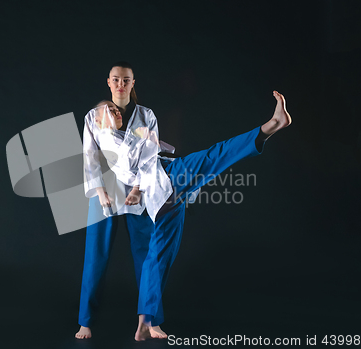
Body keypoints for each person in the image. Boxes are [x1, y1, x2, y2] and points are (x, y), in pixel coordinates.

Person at [133, 90, 292, 341]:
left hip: (164, 195)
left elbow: (151, 147)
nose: (109, 112)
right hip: (166, 177)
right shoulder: (110, 140)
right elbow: (133, 165)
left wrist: (147, 139)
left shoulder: (129, 129)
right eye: (104, 112)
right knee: (216, 155)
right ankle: (272, 124)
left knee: (157, 258)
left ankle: (145, 322)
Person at [76, 62, 170, 339]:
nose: (120, 84)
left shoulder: (145, 115)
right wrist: (100, 191)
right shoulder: (95, 115)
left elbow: (151, 154)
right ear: (108, 82)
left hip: (137, 191)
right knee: (95, 256)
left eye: (125, 80)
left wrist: (139, 188)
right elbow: (90, 155)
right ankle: (85, 321)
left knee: (146, 256)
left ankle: (151, 320)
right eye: (115, 79)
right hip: (104, 189)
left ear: (132, 83)